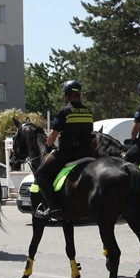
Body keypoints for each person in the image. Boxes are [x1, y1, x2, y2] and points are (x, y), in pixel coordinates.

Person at [33, 80, 95, 221]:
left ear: (67, 95)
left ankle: (54, 208)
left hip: (69, 153)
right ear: (78, 94)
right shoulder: (88, 112)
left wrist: (48, 146)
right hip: (87, 153)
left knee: (40, 175)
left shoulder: (64, 111)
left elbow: (53, 135)